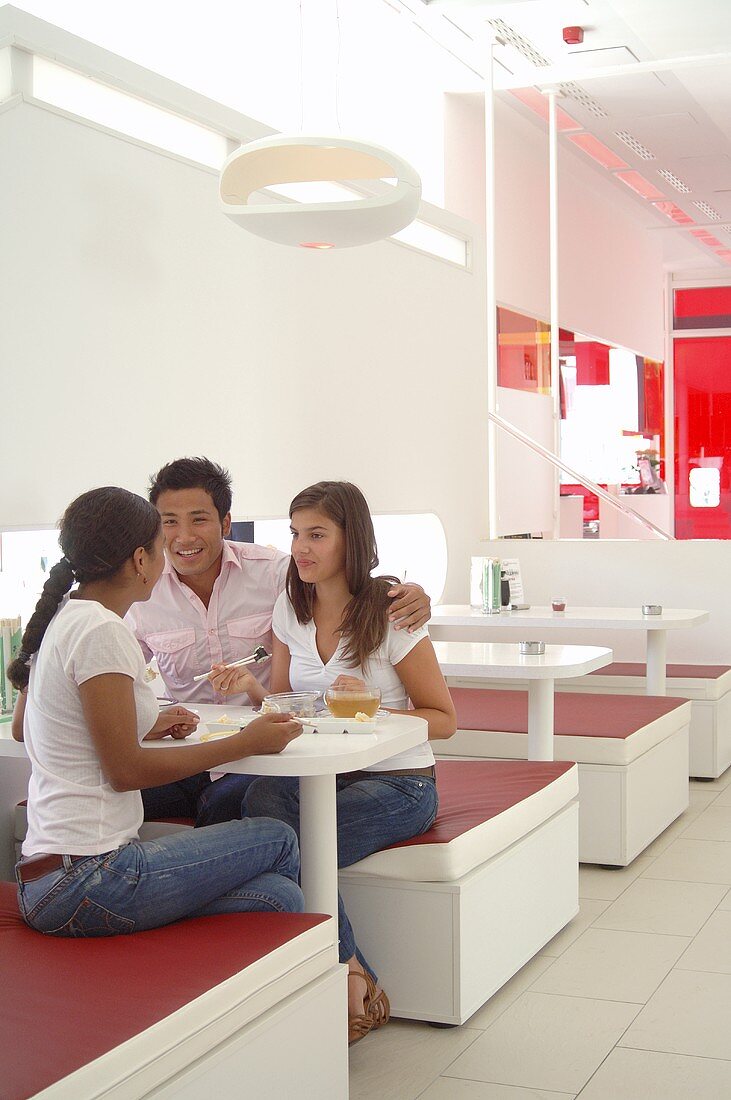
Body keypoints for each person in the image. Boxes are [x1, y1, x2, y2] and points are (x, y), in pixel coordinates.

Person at [9, 486, 305, 937]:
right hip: (91, 877)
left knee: (280, 898)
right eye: (162, 543)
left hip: (51, 877)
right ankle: (348, 975)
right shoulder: (102, 630)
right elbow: (125, 771)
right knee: (277, 836)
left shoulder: (68, 616)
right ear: (141, 559)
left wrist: (146, 720)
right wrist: (244, 743)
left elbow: (21, 727)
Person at [239, 480, 456, 1044]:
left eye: (317, 534)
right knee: (256, 804)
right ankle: (351, 966)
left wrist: (369, 710)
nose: (301, 548)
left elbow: (443, 717)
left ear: (350, 539)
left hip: (399, 782)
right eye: (294, 534)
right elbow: (288, 701)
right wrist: (252, 692)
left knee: (298, 844)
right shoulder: (291, 606)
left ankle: (344, 977)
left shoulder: (391, 610)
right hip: (325, 775)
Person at [126, 456, 432, 827]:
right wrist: (146, 719)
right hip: (189, 753)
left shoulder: (278, 575)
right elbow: (116, 674)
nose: (184, 537)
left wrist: (413, 593)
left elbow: (343, 577)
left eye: (199, 519)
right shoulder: (141, 592)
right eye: (169, 522)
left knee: (231, 805)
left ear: (225, 523)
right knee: (117, 792)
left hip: (262, 757)